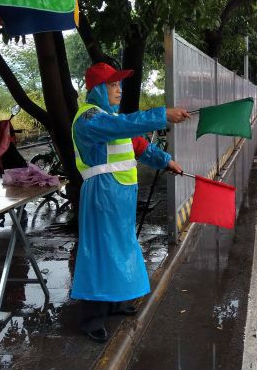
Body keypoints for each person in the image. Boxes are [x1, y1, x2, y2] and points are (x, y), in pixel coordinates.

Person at [71, 62, 189, 343]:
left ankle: (116, 301)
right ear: (98, 89)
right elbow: (124, 126)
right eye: (112, 85)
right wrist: (163, 115)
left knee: (122, 246)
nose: (118, 90)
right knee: (101, 251)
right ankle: (91, 319)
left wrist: (167, 161)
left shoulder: (109, 121)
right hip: (102, 193)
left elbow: (139, 145)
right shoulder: (90, 120)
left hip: (120, 195)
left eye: (119, 84)